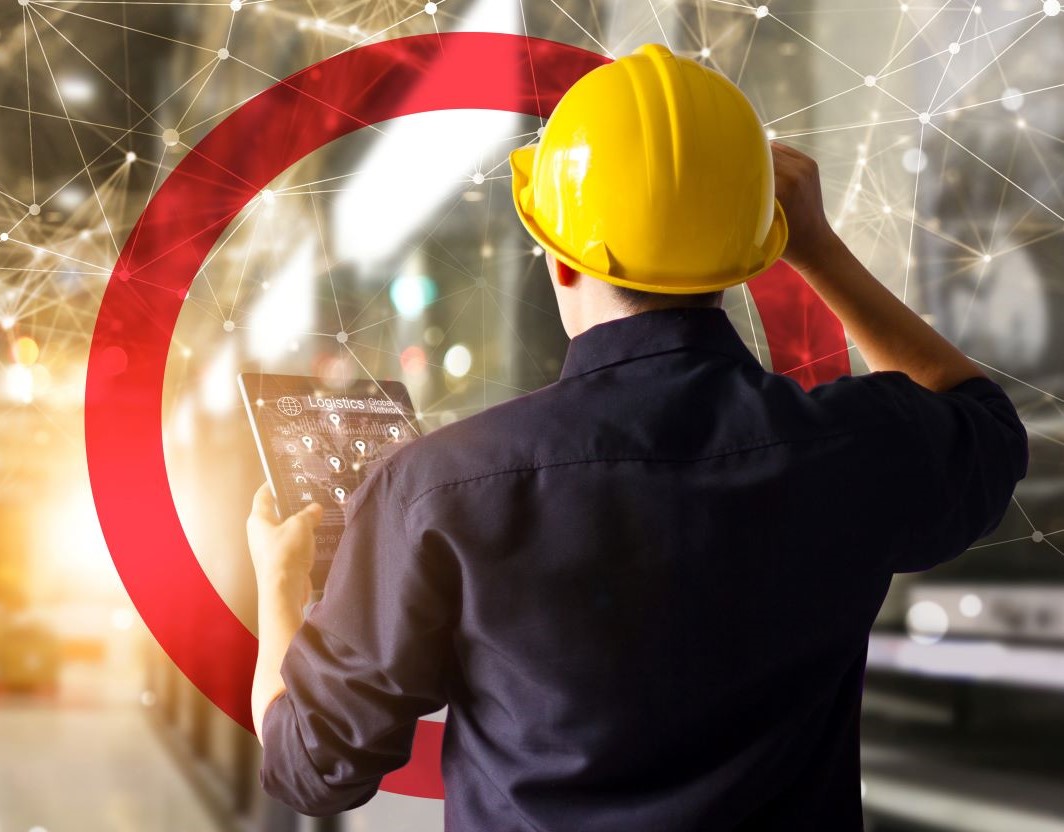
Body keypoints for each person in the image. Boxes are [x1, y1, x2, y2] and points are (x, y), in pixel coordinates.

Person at [245, 44, 1028, 830]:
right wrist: (818, 247)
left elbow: (312, 767)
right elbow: (985, 422)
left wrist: (280, 589)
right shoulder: (855, 448)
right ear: (752, 252)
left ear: (558, 260)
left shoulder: (435, 491)